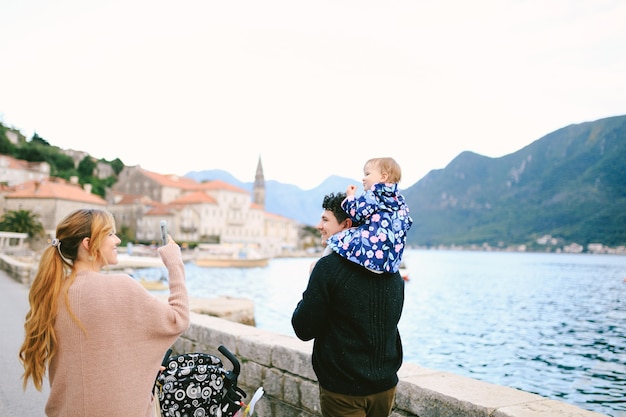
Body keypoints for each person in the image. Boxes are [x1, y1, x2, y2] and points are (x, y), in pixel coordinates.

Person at [19, 208, 190, 417]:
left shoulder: (52, 292)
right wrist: (174, 261)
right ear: (88, 244)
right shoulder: (122, 286)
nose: (117, 240)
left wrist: (139, 367)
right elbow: (179, 318)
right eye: (110, 234)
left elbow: (93, 353)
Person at [292, 192, 405, 417]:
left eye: (325, 220)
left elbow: (303, 328)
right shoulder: (392, 272)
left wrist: (313, 279)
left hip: (344, 391)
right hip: (385, 385)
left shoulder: (327, 268)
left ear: (347, 224)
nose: (318, 226)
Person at [327, 157, 412, 274]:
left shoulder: (373, 195)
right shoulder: (400, 200)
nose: (363, 178)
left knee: (337, 240)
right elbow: (407, 223)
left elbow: (357, 214)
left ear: (383, 177)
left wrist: (350, 197)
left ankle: (322, 265)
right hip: (389, 260)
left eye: (367, 174)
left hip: (370, 253)